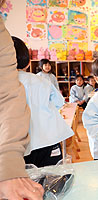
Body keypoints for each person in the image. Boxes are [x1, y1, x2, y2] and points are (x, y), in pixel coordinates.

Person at [0, 10, 44, 200]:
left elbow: (9, 96)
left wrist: (9, 165)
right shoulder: (41, 80)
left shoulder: (2, 35)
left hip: (24, 139)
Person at [12, 36, 74, 167]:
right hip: (49, 139)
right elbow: (59, 102)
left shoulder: (6, 83)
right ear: (29, 62)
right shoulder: (41, 81)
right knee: (52, 180)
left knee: (25, 181)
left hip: (19, 146)